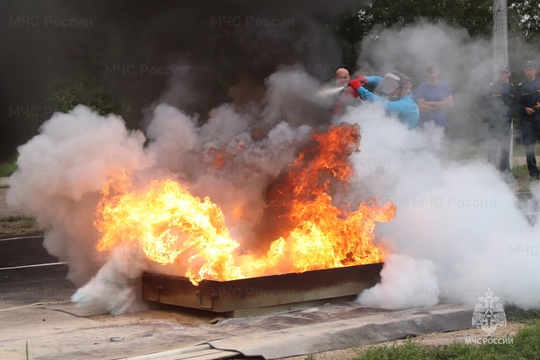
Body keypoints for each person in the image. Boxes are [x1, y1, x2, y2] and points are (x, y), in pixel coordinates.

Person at [348, 71, 419, 128]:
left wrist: (359, 88)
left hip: (403, 140)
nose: (391, 90)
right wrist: (365, 79)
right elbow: (378, 79)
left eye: (393, 87)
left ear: (402, 88)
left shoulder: (407, 104)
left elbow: (383, 104)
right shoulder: (404, 94)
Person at [483, 65, 515, 174]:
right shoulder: (491, 87)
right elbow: (485, 104)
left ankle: (505, 174)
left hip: (506, 123)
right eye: (501, 73)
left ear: (509, 74)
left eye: (505, 73)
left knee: (505, 150)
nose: (503, 75)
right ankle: (490, 173)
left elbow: (515, 105)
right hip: (494, 124)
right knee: (492, 149)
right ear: (498, 73)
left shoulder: (512, 88)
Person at [516, 60, 540, 180]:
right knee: (529, 147)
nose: (529, 71)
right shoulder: (521, 87)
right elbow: (516, 104)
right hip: (527, 121)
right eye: (526, 69)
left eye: (531, 69)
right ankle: (534, 173)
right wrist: (524, 108)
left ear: (535, 70)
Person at [416, 65, 454, 130]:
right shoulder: (421, 88)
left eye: (434, 72)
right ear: (426, 74)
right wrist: (442, 105)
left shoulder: (444, 86)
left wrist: (431, 103)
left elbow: (450, 104)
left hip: (441, 124)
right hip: (425, 125)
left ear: (438, 72)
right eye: (430, 72)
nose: (432, 74)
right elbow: (421, 107)